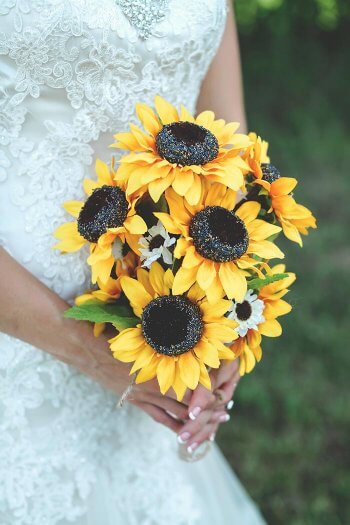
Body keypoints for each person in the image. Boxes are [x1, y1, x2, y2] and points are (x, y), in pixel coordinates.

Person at [0, 1, 266, 523]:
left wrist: (232, 311)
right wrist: (93, 353)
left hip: (157, 317)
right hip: (20, 330)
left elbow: (230, 148)